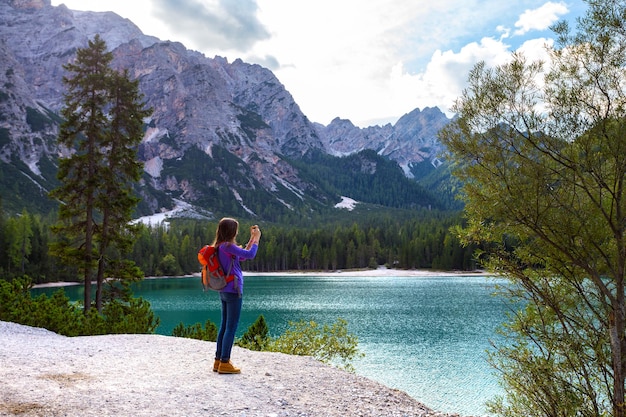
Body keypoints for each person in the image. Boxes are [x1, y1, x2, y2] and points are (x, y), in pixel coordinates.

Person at [212, 217, 261, 374]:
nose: (237, 232)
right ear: (231, 231)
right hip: (234, 289)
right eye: (236, 230)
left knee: (224, 325)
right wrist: (257, 240)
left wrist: (251, 239)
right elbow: (250, 255)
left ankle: (218, 360)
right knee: (231, 327)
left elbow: (241, 256)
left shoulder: (221, 246)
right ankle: (225, 362)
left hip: (224, 289)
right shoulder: (228, 245)